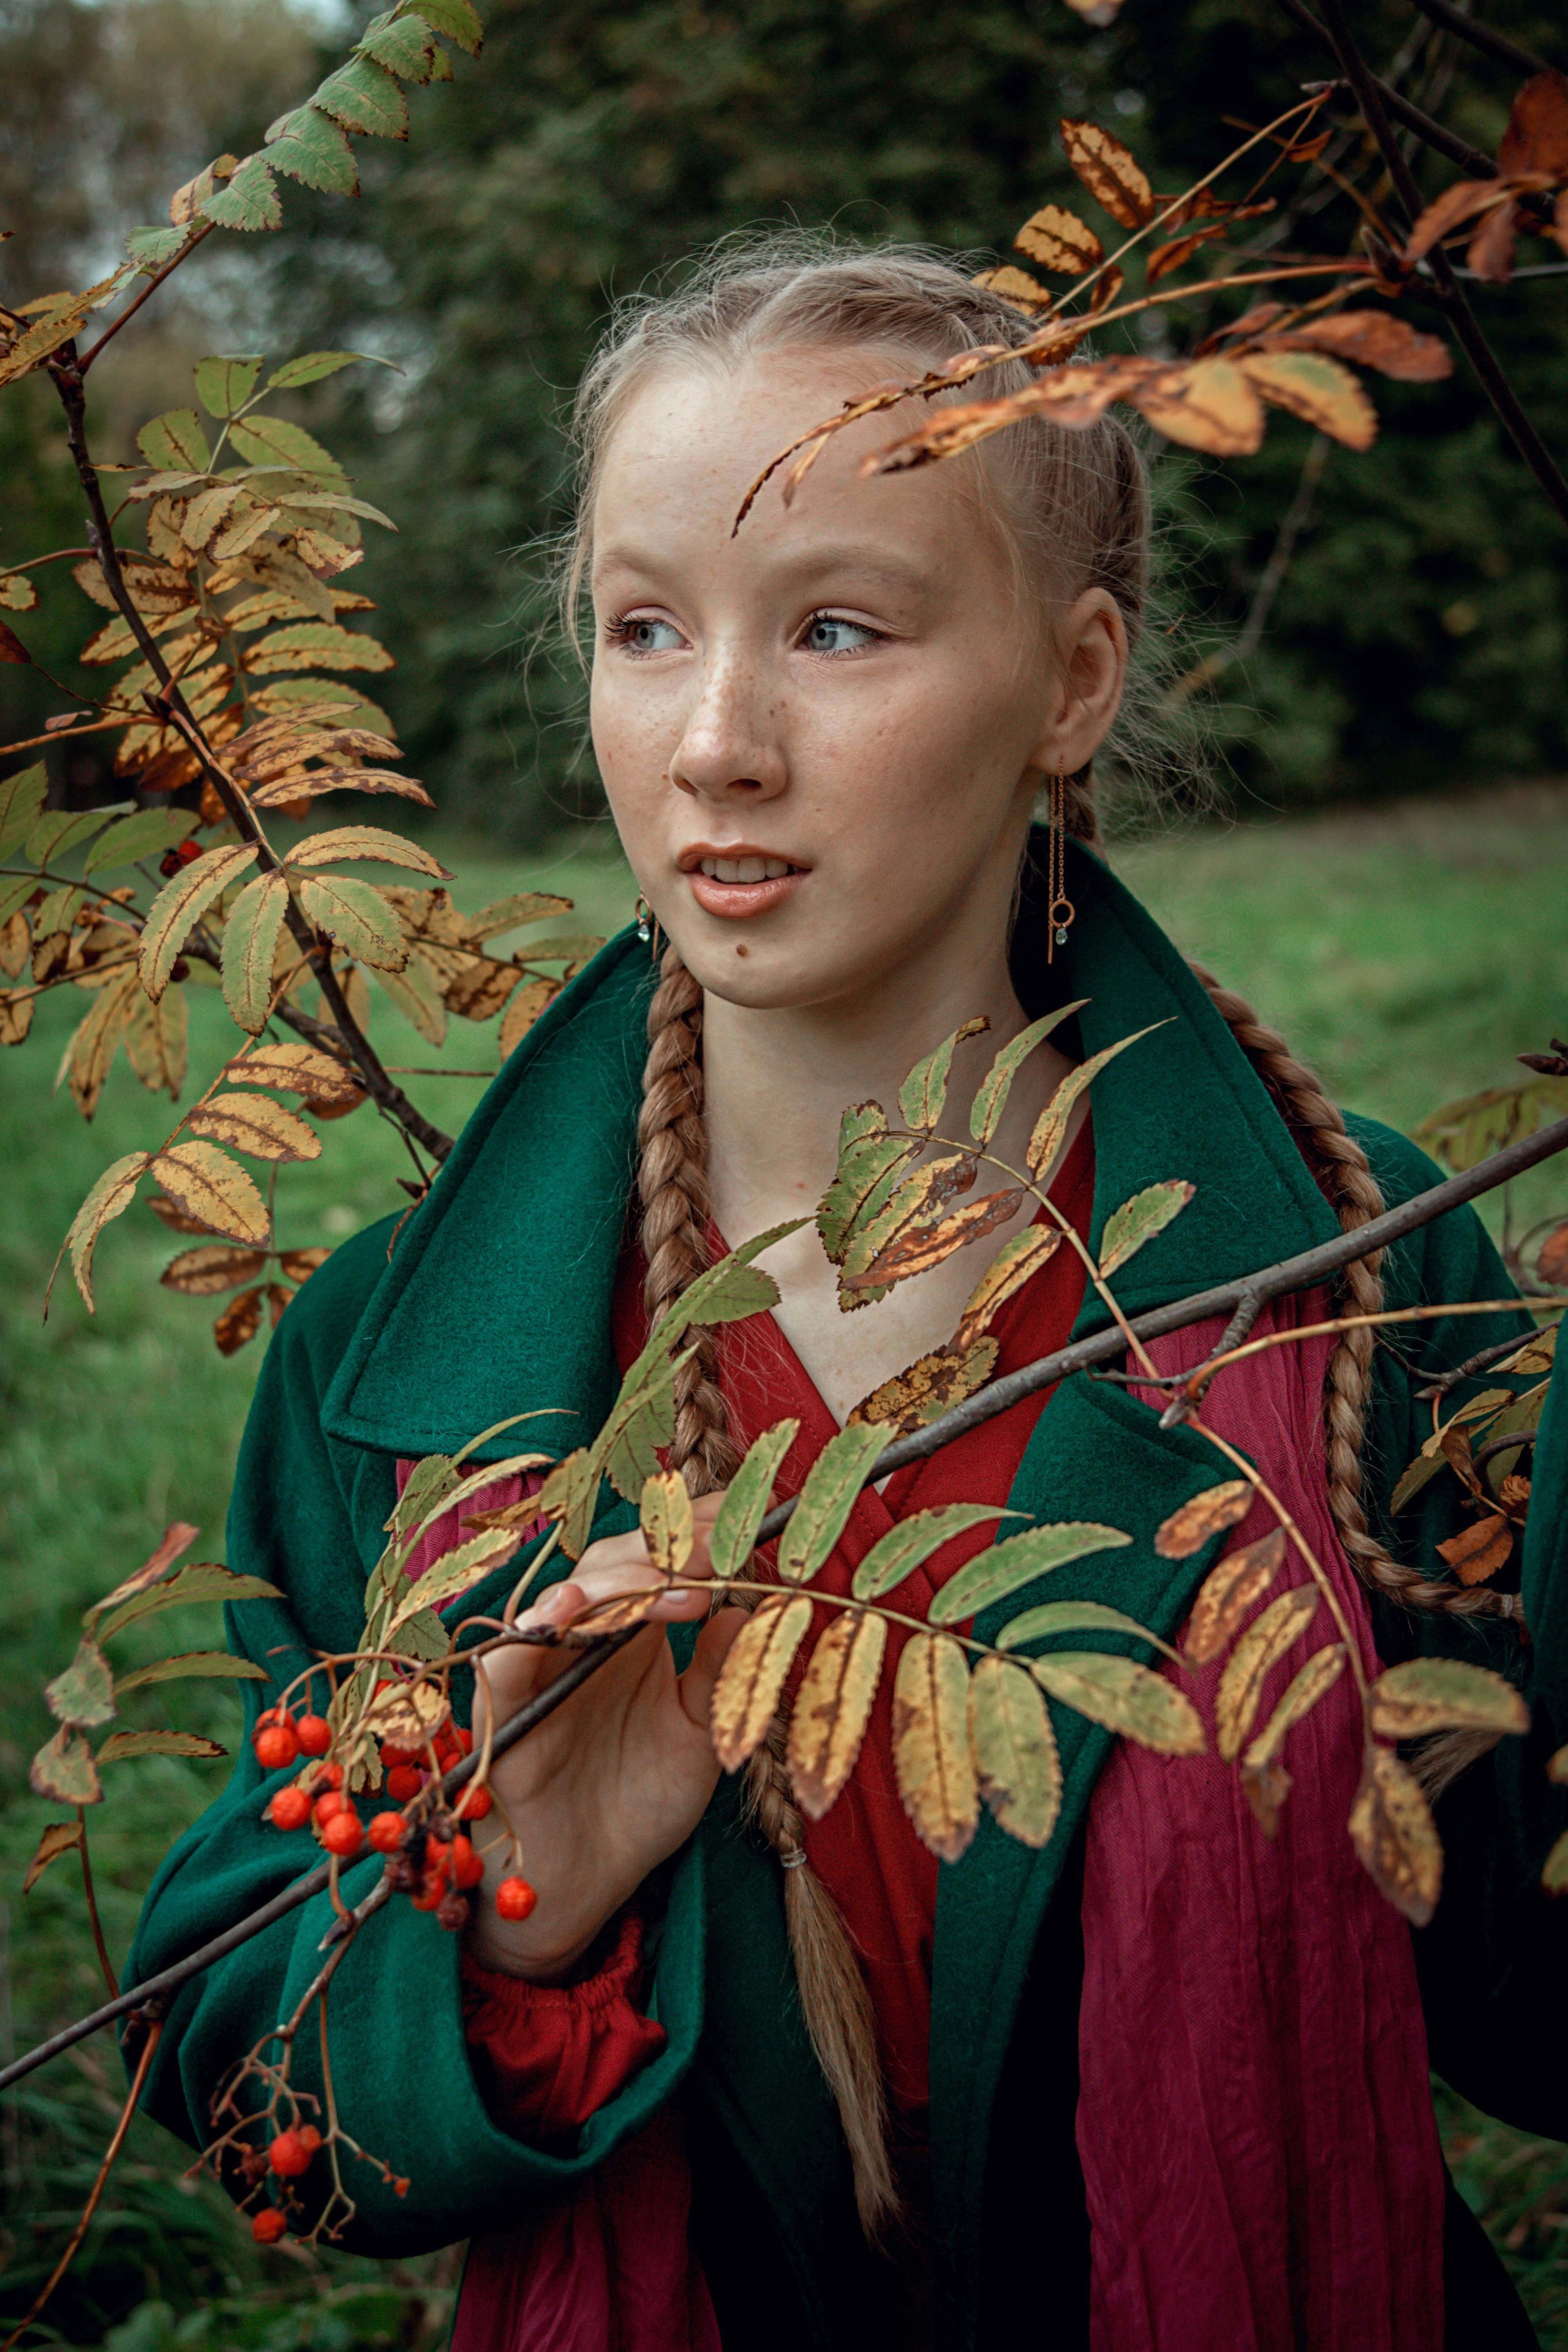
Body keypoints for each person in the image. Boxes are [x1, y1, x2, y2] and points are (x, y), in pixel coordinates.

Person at [129, 240, 1567, 2352]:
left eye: (835, 628)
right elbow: (257, 2090)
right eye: (643, 630)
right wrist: (516, 1913)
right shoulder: (401, 1374)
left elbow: (1539, 2009)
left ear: (1073, 681)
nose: (714, 744)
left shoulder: (1368, 1280)